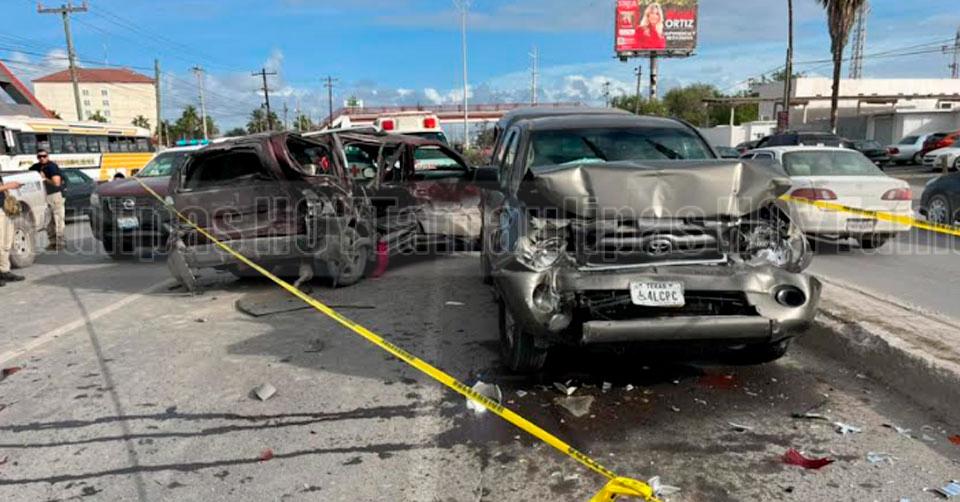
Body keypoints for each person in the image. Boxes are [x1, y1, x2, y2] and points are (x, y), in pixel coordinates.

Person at [29, 149, 65, 250]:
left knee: (58, 219)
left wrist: (44, 178)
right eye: (39, 157)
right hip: (43, 196)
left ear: (48, 156)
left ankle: (60, 242)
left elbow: (56, 183)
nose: (42, 158)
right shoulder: (36, 167)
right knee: (48, 221)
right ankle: (53, 242)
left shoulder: (52, 166)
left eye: (44, 156)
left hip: (54, 195)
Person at [0, 176, 25, 287]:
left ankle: (4, 271)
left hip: (3, 209)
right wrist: (9, 185)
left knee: (6, 242)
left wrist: (7, 194)